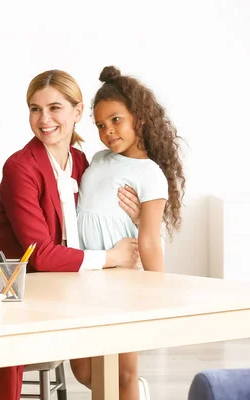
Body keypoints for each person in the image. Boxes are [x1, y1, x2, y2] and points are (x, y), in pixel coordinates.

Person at [0, 69, 143, 400]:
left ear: (77, 112)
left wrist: (134, 217)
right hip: (19, 286)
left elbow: (93, 223)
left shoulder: (81, 161)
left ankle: (126, 387)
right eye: (35, 108)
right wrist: (112, 257)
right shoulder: (21, 166)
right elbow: (41, 254)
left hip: (66, 283)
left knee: (118, 342)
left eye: (54, 108)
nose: (43, 118)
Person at [70, 65, 185, 400]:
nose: (108, 131)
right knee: (84, 369)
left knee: (122, 371)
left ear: (139, 117)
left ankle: (131, 390)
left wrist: (158, 293)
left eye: (116, 120)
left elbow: (148, 238)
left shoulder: (150, 174)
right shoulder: (98, 159)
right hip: (87, 275)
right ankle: (131, 391)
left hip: (125, 282)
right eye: (101, 125)